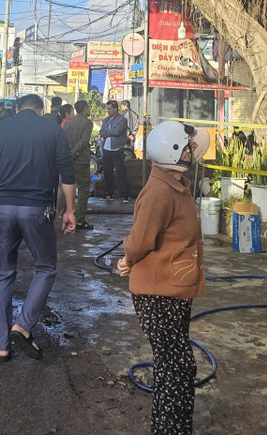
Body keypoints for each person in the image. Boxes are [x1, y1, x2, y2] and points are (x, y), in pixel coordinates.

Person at [0, 93, 76, 363]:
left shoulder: (0, 128)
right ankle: (23, 324)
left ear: (16, 109)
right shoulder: (53, 130)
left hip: (4, 209)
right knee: (45, 268)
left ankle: (2, 346)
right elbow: (67, 173)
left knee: (3, 273)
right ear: (41, 110)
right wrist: (70, 210)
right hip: (37, 211)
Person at [117, 121, 207, 435]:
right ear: (173, 151)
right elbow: (141, 240)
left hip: (173, 290)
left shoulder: (175, 185)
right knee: (179, 366)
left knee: (173, 365)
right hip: (157, 295)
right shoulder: (159, 192)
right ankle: (170, 429)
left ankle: (171, 427)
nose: (191, 151)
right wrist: (127, 260)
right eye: (187, 147)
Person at [62, 100, 94, 229]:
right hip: (81, 160)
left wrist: (69, 154)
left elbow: (64, 141)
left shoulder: (68, 123)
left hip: (68, 160)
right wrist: (74, 153)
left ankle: (65, 215)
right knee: (83, 190)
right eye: (88, 107)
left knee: (67, 188)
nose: (89, 110)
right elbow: (83, 141)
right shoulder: (87, 123)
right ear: (85, 108)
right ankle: (80, 219)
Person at [99, 99, 132, 201]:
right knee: (107, 172)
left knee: (120, 172)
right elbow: (101, 132)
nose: (108, 111)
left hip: (117, 149)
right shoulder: (106, 120)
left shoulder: (122, 120)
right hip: (106, 149)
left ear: (115, 109)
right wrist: (109, 131)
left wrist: (107, 131)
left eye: (109, 109)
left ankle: (124, 195)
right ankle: (109, 193)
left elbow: (117, 132)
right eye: (107, 109)